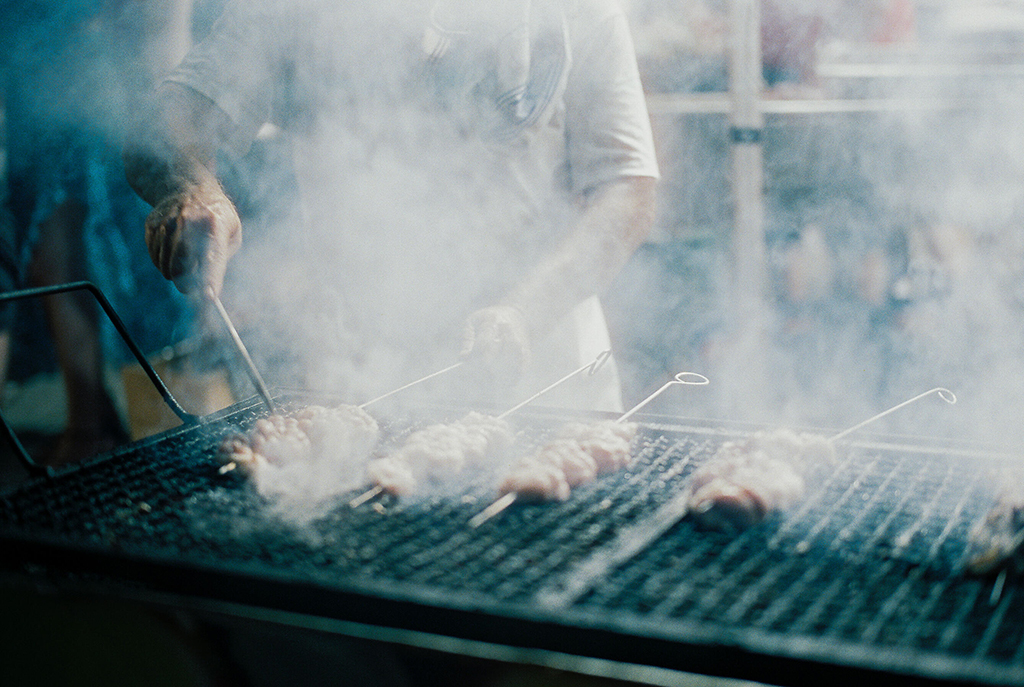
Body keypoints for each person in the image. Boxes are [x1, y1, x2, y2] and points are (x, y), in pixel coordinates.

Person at [123, 0, 660, 414]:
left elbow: (627, 189)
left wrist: (523, 314)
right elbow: (167, 125)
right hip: (359, 378)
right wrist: (197, 191)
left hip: (547, 377)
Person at [0, 0, 197, 468]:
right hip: (35, 34)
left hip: (126, 31)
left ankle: (171, 419)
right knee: (51, 217)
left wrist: (169, 68)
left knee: (155, 198)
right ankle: (91, 423)